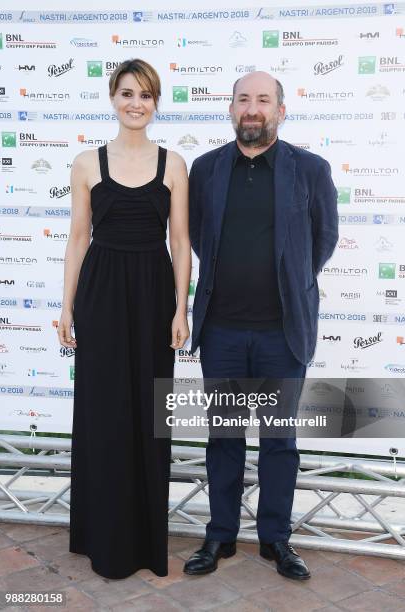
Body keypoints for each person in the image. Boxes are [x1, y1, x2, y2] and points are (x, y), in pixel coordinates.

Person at [184, 71, 338, 580]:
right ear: (230, 109)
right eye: (244, 99)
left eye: (263, 100)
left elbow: (323, 240)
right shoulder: (205, 170)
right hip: (223, 334)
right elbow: (199, 238)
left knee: (278, 441)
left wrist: (291, 280)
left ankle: (276, 540)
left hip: (283, 334)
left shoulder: (310, 170)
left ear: (281, 110)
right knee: (223, 437)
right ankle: (220, 537)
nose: (253, 108)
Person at [57, 58, 191, 579]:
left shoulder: (173, 164)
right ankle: (101, 538)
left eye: (146, 95)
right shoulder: (86, 163)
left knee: (150, 415)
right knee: (103, 414)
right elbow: (77, 239)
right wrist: (66, 305)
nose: (137, 103)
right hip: (102, 292)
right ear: (113, 97)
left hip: (155, 293)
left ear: (156, 103)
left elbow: (180, 243)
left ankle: (142, 540)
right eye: (128, 93)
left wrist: (182, 307)